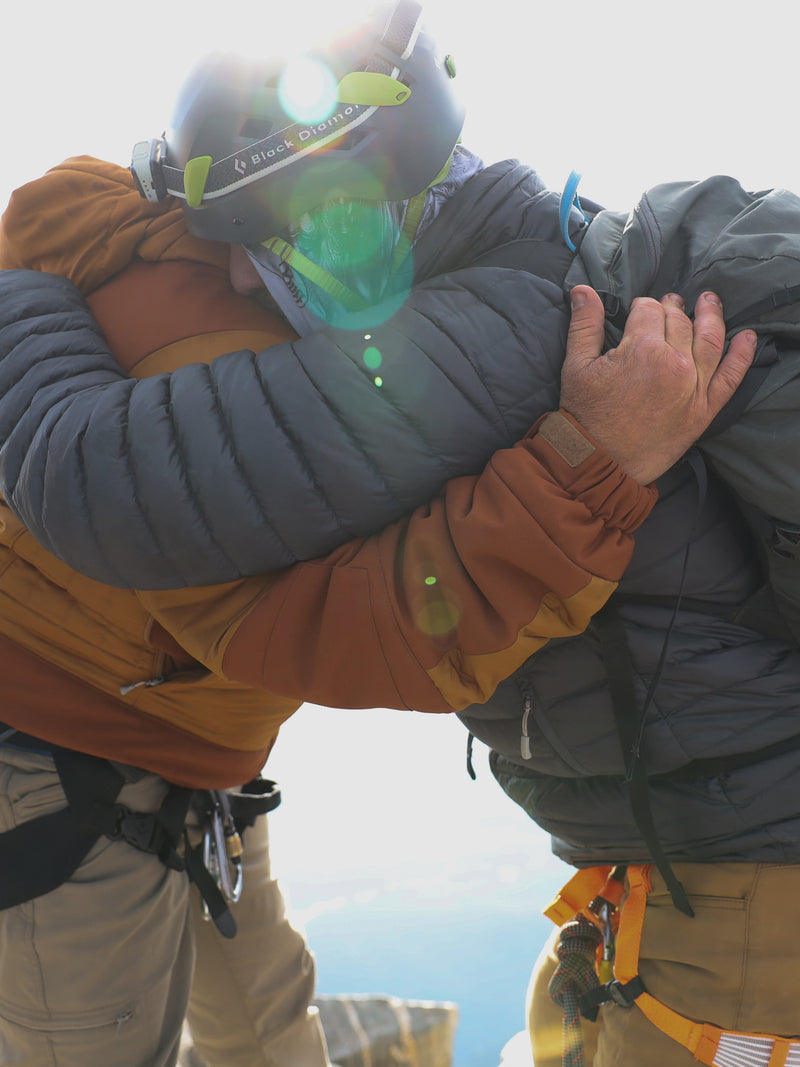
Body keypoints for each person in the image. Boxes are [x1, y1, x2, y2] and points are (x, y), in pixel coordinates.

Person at [0, 3, 784, 1066]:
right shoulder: (508, 285)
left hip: (724, 875)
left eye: (298, 228)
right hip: (651, 865)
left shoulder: (513, 329)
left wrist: (21, 299)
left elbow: (113, 484)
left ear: (404, 189)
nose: (244, 277)